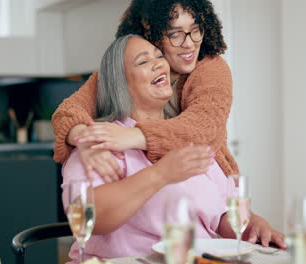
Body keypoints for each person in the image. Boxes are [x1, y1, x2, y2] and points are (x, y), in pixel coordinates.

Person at [62, 35, 284, 263]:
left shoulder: (187, 136)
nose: (159, 63)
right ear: (120, 82)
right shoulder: (99, 141)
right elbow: (92, 219)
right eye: (143, 61)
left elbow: (222, 216)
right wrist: (161, 174)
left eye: (159, 57)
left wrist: (253, 225)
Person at [52, 0, 238, 183]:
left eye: (196, 30)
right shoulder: (121, 72)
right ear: (152, 33)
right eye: (175, 34)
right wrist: (88, 141)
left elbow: (203, 128)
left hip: (210, 182)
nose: (189, 44)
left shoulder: (211, 68)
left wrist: (132, 136)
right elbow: (68, 112)